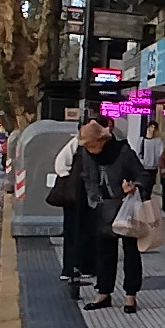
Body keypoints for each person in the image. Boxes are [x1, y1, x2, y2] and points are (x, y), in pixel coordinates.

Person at [78, 118, 150, 313]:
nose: (89, 149)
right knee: (104, 252)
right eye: (86, 146)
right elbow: (87, 176)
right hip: (102, 208)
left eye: (92, 145)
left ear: (101, 140)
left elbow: (143, 175)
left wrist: (134, 187)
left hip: (126, 208)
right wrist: (93, 198)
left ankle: (130, 296)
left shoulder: (122, 152)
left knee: (131, 252)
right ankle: (104, 293)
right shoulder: (87, 154)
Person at [54, 115, 114, 283]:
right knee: (76, 230)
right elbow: (61, 164)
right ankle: (73, 267)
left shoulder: (99, 145)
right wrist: (70, 180)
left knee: (87, 230)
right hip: (77, 194)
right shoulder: (77, 143)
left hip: (88, 193)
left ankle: (83, 266)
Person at [138, 121, 164, 193]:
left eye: (154, 128)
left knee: (150, 186)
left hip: (153, 168)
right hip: (143, 167)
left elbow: (161, 154)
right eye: (151, 127)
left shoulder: (158, 141)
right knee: (143, 186)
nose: (153, 130)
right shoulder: (142, 140)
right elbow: (138, 153)